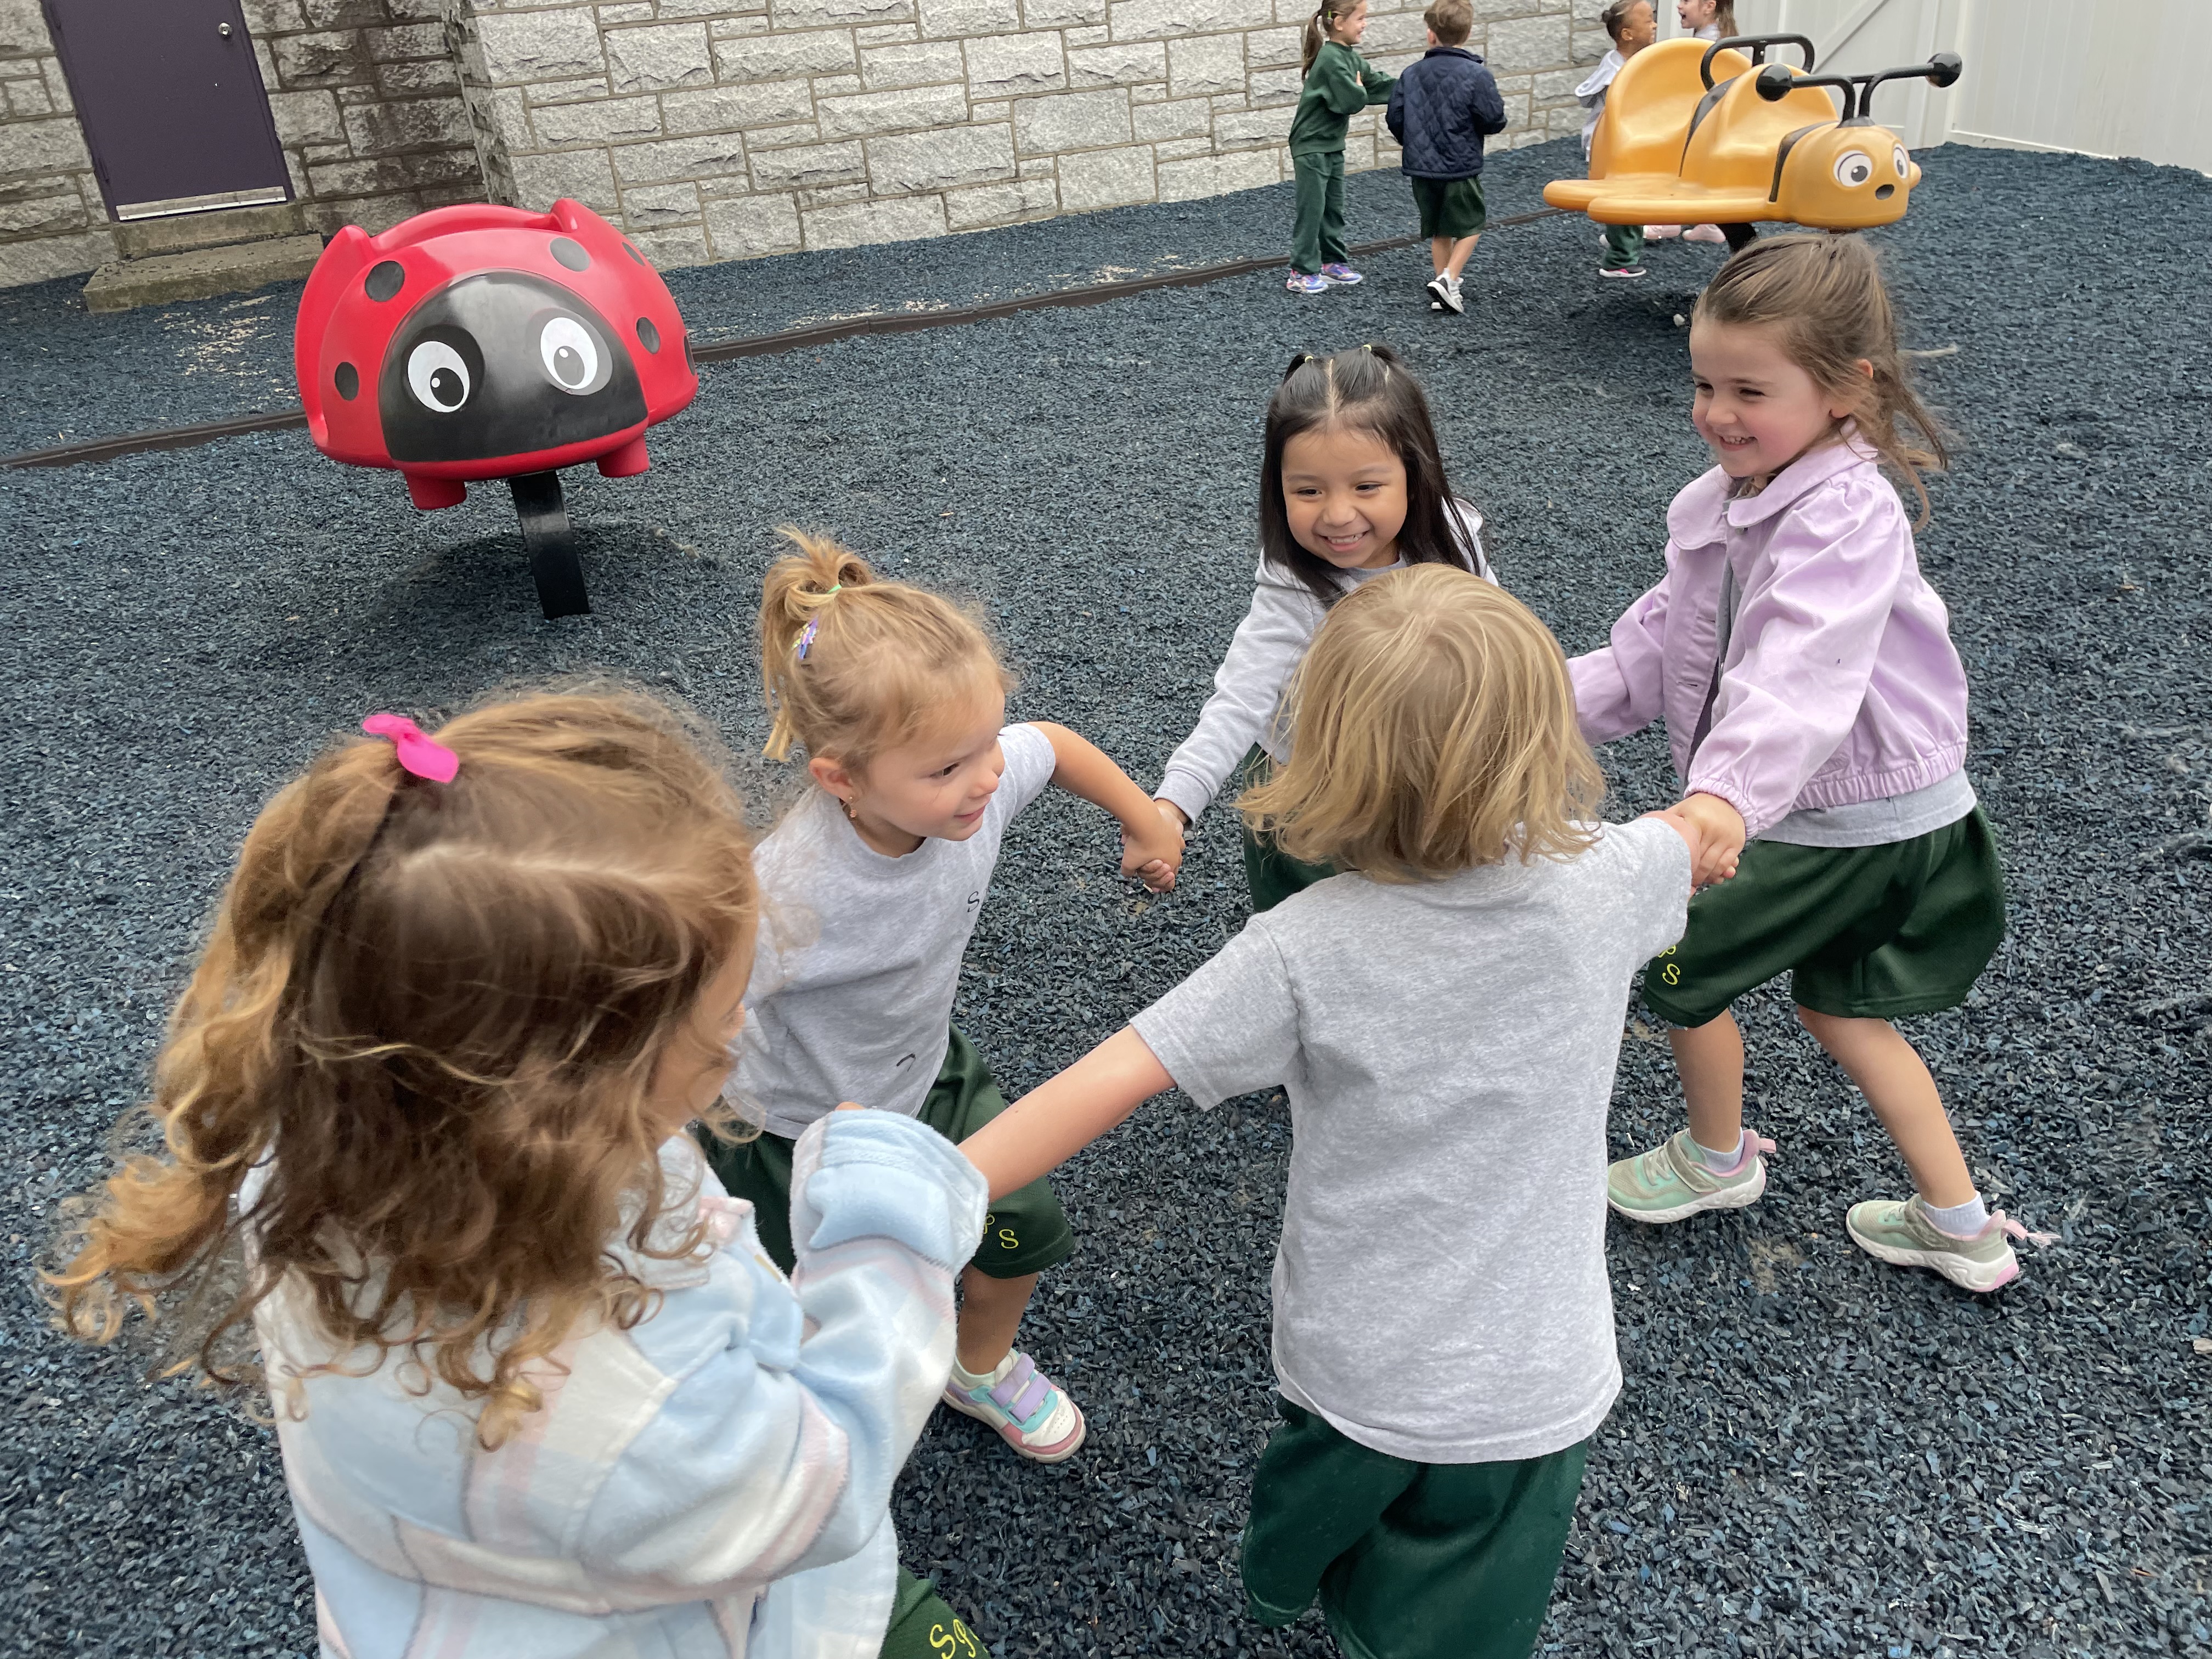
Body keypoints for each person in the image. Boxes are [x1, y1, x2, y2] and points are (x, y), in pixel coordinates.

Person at [48, 692, 1000, 1658]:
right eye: (718, 1029)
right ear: (556, 1108)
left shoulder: (314, 1149)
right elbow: (823, 1480)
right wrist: (889, 1224)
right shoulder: (628, 1405)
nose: (742, 1034)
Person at [962, 566, 1697, 1659]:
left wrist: (923, 1187)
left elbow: (1111, 1077)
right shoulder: (1619, 878)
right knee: (1463, 1611)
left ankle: (1301, 1586)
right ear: (1550, 742)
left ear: (1328, 763)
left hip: (1354, 1364)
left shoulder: (1305, 946)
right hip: (1537, 1377)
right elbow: (1704, 832)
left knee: (1320, 1530)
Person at [1571, 235, 2032, 1292]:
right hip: (1884, 809)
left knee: (1668, 955)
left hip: (1829, 813)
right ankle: (1957, 1223)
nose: (1717, 410)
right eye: (1702, 382)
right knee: (1841, 1009)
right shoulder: (1743, 499)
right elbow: (1658, 647)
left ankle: (1716, 1155)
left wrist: (1719, 799)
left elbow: (1797, 671)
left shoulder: (1837, 514)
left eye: (1748, 389)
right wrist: (1520, 708)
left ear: (1843, 390)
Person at [709, 532, 1183, 1465]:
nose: (984, 776)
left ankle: (978, 1361)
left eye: (981, 743)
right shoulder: (783, 890)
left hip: (929, 1079)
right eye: (946, 767)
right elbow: (690, 1012)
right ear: (840, 776)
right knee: (796, 1297)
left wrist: (1145, 817)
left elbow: (1047, 745)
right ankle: (805, 1421)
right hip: (792, 1130)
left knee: (1025, 1235)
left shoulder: (975, 785)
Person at [1151, 343, 1493, 913]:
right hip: (1311, 791)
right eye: (1308, 491)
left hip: (1425, 774)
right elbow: (1241, 700)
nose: (1337, 515)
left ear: (1415, 472)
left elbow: (1499, 645)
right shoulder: (1296, 588)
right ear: (1276, 486)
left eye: (1365, 487)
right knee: (1307, 930)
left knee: (1415, 917)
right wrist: (1173, 804)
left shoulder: (1452, 539)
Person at [1384, 0, 1506, 317]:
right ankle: (1449, 278)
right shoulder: (1477, 75)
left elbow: (1395, 116)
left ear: (1430, 34)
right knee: (1472, 224)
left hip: (1422, 168)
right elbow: (1493, 118)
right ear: (1467, 33)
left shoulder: (1410, 74)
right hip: (1459, 164)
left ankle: (1443, 291)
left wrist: (1412, 143)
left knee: (1440, 228)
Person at [1288, 0, 1396, 295]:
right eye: (1361, 18)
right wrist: (1359, 90)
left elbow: (1376, 84)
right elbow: (1351, 101)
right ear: (1339, 23)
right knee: (1312, 209)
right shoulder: (1330, 59)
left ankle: (1332, 263)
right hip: (1311, 144)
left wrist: (1414, 87)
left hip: (1332, 144)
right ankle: (1301, 271)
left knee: (1333, 207)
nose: (1365, 24)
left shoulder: (1350, 57)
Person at [1577, 0, 1659, 279]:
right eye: (1648, 21)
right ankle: (1619, 261)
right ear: (1628, 35)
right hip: (1613, 149)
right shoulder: (1618, 76)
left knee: (1630, 196)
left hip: (1624, 147)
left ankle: (1620, 239)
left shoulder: (1629, 64)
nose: (1655, 25)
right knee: (1624, 200)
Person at [1671, 0, 1738, 244]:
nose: (1679, 6)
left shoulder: (1704, 45)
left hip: (1703, 115)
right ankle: (1709, 222)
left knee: (1676, 163)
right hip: (1716, 117)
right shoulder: (1721, 36)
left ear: (1709, 6)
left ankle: (1668, 220)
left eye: (1686, 1)